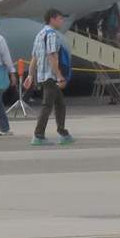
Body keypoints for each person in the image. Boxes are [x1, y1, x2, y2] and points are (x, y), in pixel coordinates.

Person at [28, 9, 74, 146]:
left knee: (59, 104)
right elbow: (52, 55)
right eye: (60, 18)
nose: (62, 21)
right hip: (50, 76)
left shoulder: (40, 34)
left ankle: (63, 133)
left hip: (42, 76)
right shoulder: (51, 34)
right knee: (47, 105)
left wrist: (30, 75)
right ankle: (39, 135)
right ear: (52, 19)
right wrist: (59, 76)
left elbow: (34, 57)